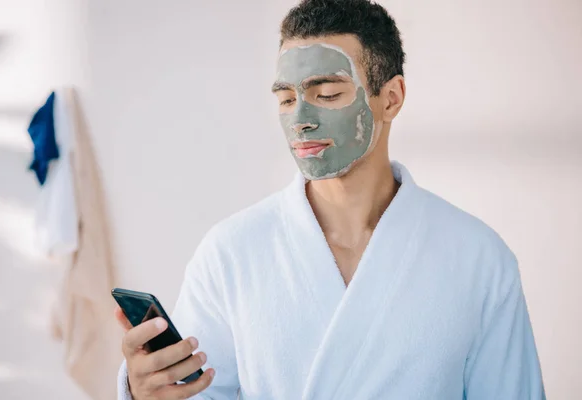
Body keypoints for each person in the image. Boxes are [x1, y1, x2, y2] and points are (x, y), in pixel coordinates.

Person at [115, 0, 545, 399]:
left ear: (390, 98)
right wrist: (146, 389)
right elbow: (195, 391)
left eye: (327, 94)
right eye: (286, 99)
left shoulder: (479, 259)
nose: (300, 120)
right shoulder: (230, 253)